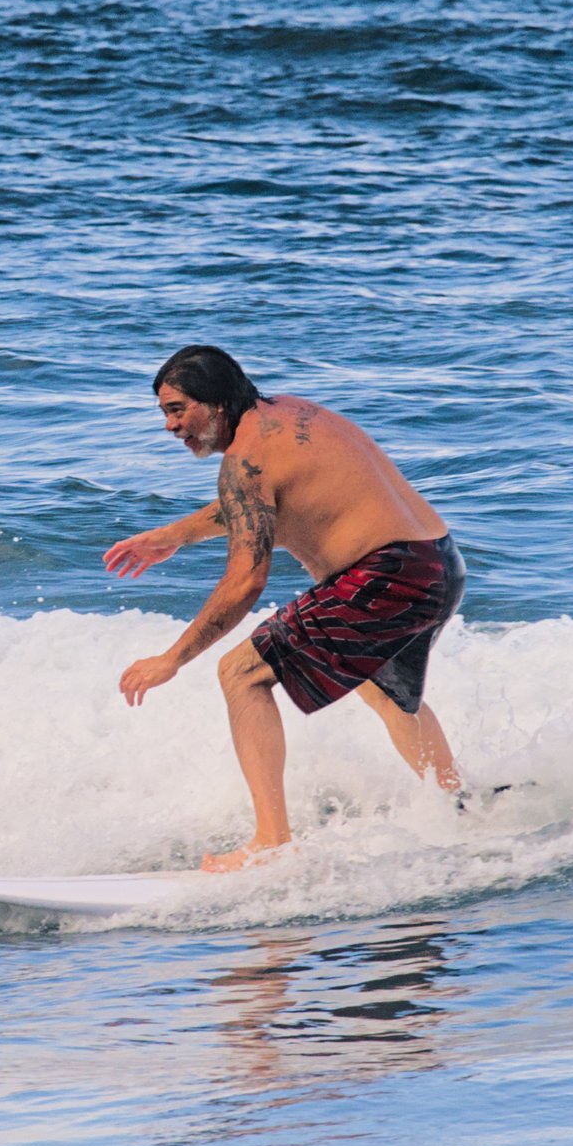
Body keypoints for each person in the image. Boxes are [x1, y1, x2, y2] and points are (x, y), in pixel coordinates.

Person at [103, 346, 464, 873]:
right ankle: (458, 805)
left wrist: (173, 659)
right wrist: (175, 535)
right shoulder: (293, 412)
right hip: (437, 563)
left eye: (178, 409)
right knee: (387, 692)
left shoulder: (244, 460)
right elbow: (261, 498)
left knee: (241, 673)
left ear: (218, 403)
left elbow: (247, 578)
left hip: (385, 577)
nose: (170, 426)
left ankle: (272, 842)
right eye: (164, 412)